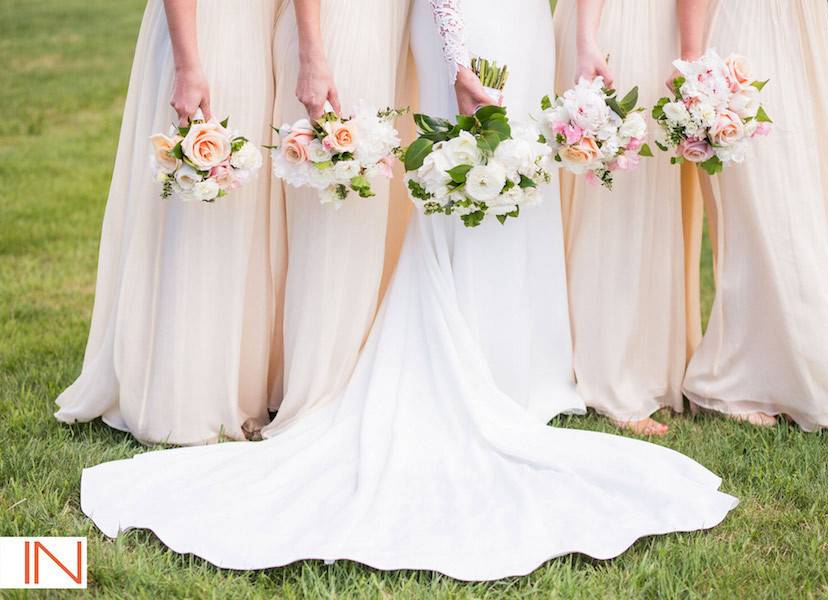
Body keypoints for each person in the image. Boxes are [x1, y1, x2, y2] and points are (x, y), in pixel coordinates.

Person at [78, 1, 736, 580]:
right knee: (455, 180)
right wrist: (453, 51)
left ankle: (522, 370)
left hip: (516, 18)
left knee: (509, 182)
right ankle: (424, 369)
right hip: (454, 20)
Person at [54, 0, 285, 445]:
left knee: (238, 214)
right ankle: (185, 395)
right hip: (208, 32)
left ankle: (236, 380)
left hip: (256, 31)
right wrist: (187, 64)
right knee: (200, 214)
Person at [679, 0, 828, 430]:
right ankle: (736, 376)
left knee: (803, 191)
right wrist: (691, 57)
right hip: (748, 28)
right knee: (763, 198)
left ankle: (803, 363)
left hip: (799, 29)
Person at [262, 0, 411, 436]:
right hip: (339, 35)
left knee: (365, 220)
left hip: (384, 35)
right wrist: (313, 53)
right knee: (334, 227)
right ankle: (319, 392)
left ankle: (354, 377)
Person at [553, 0, 686, 435]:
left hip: (655, 26)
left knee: (642, 197)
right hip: (616, 24)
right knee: (613, 203)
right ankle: (607, 372)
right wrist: (589, 38)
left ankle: (637, 362)